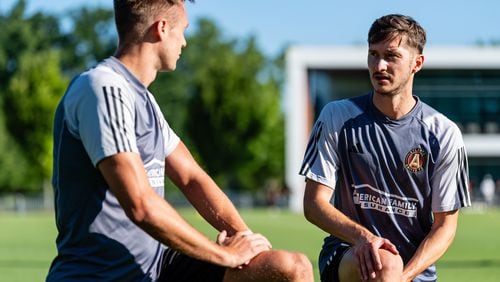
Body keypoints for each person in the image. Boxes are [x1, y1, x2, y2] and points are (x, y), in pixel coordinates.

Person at [46, 1, 313, 281]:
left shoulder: (144, 99)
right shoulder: (102, 89)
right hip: (101, 275)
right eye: (182, 30)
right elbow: (141, 204)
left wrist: (246, 240)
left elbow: (190, 177)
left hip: (157, 268)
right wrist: (225, 254)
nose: (184, 42)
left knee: (290, 268)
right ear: (161, 28)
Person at [299, 14, 471, 282]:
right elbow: (314, 204)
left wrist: (405, 276)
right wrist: (364, 238)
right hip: (348, 254)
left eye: (391, 56)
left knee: (391, 268)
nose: (379, 66)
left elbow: (445, 227)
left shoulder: (444, 134)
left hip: (414, 270)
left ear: (417, 63)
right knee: (385, 264)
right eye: (372, 54)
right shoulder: (337, 117)